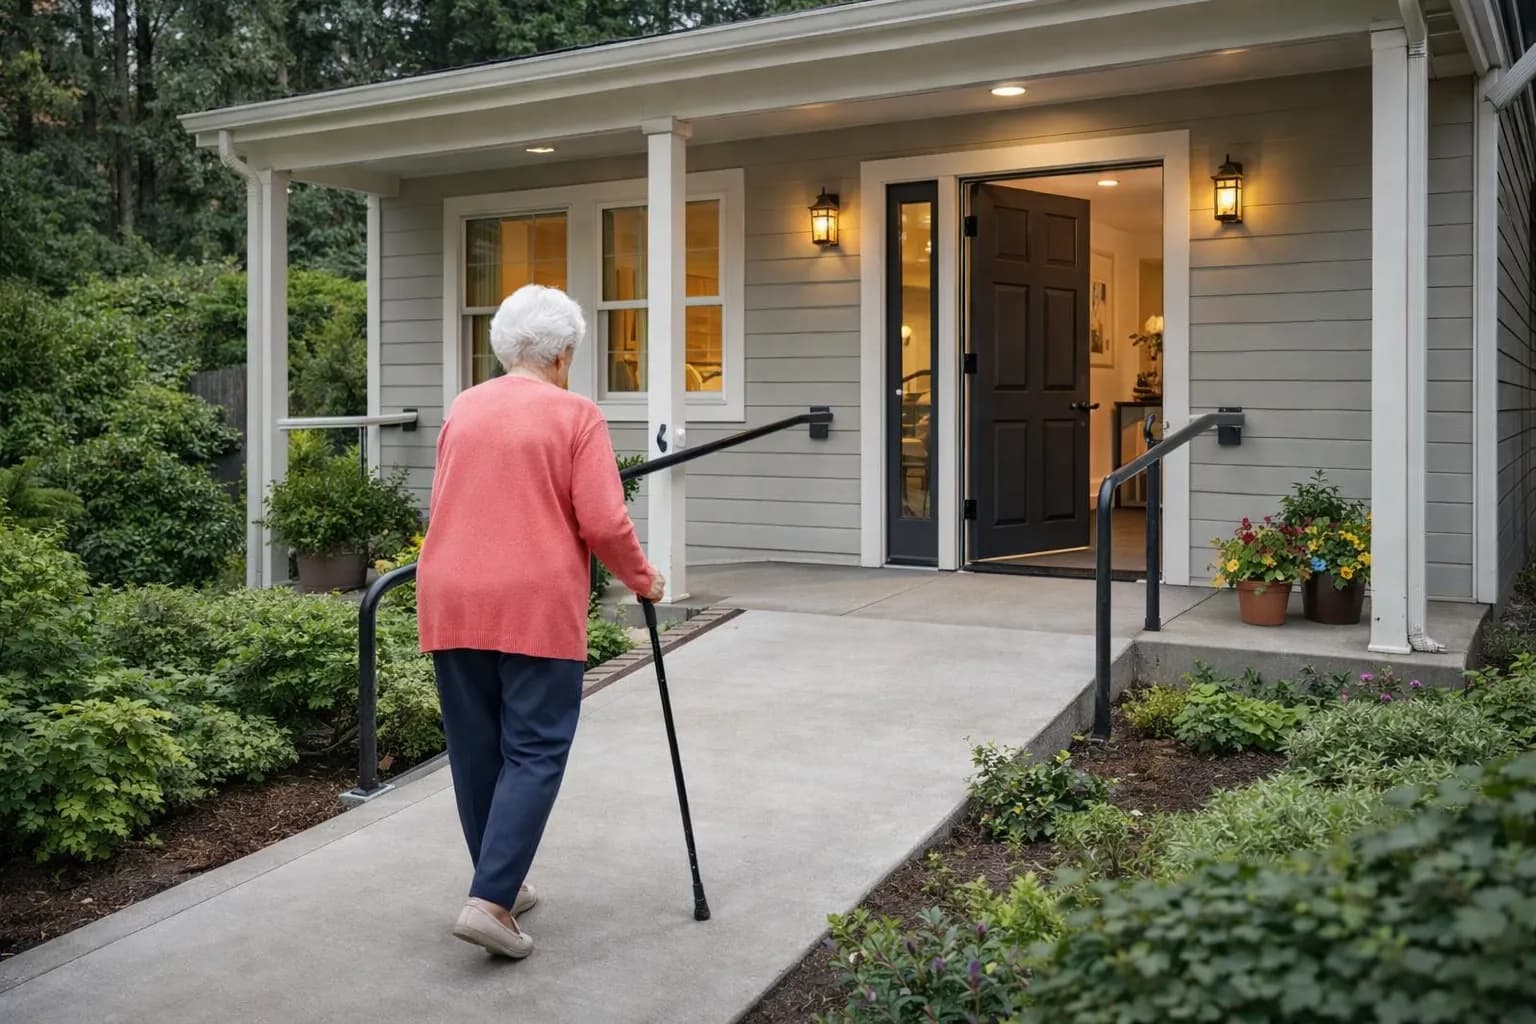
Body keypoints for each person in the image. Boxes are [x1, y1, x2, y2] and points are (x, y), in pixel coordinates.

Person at [416, 283, 663, 959]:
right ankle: (491, 903)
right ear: (562, 355)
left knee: (476, 748)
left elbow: (443, 502)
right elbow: (605, 520)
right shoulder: (574, 414)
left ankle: (501, 878)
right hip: (531, 602)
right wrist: (643, 577)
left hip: (452, 594)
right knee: (535, 748)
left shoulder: (464, 408)